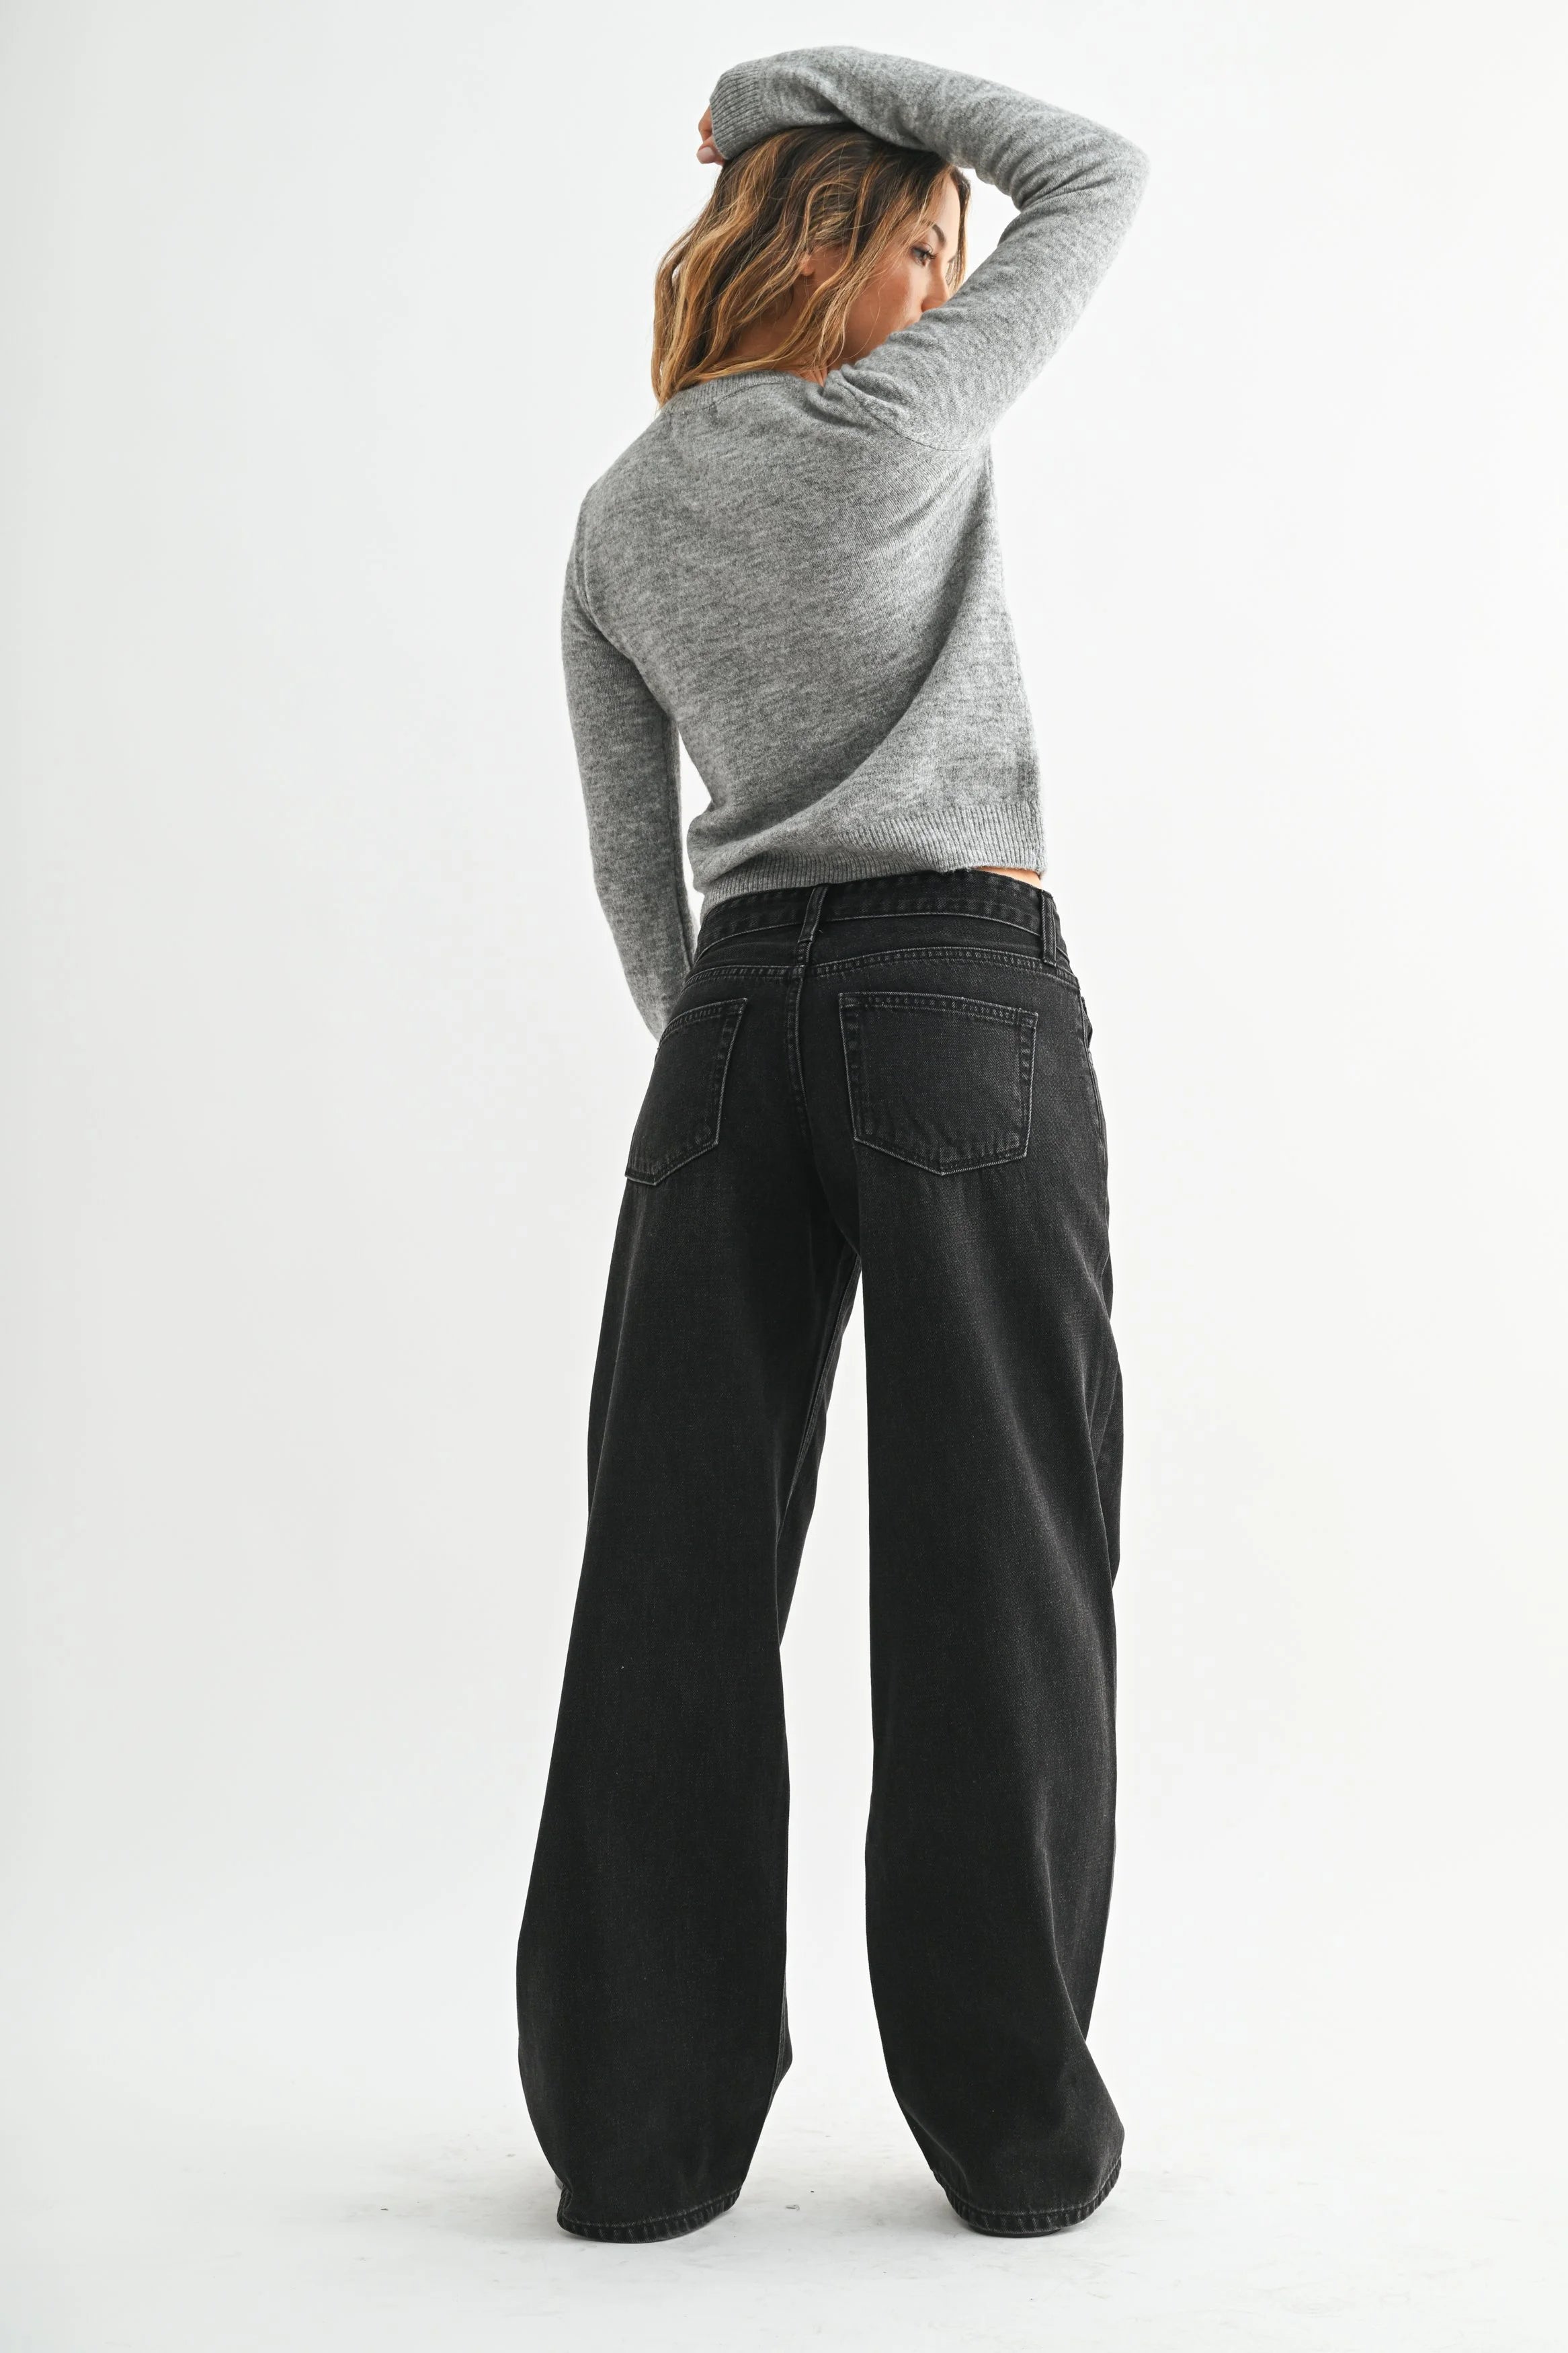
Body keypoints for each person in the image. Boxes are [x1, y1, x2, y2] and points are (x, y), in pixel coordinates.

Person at [517, 45, 1151, 2243]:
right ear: (854, 247)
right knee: (998, 1560)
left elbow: (633, 866)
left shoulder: (618, 513)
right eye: (925, 246)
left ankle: (636, 2132)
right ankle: (1013, 2132)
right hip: (958, 994)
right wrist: (790, 80)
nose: (948, 279)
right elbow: (1100, 168)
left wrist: (730, 1050)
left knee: (672, 1572)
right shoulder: (898, 421)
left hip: (727, 1025)